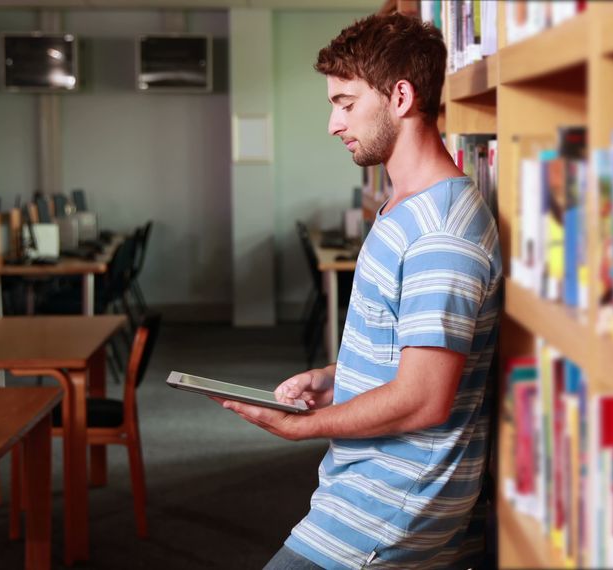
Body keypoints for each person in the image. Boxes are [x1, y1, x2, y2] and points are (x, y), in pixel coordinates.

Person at [214, 12, 501, 569]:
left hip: (389, 511)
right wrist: (334, 380)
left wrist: (307, 426)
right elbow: (405, 356)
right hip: (361, 493)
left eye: (346, 103)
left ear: (399, 96)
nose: (333, 123)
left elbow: (425, 396)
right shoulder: (402, 207)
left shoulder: (442, 231)